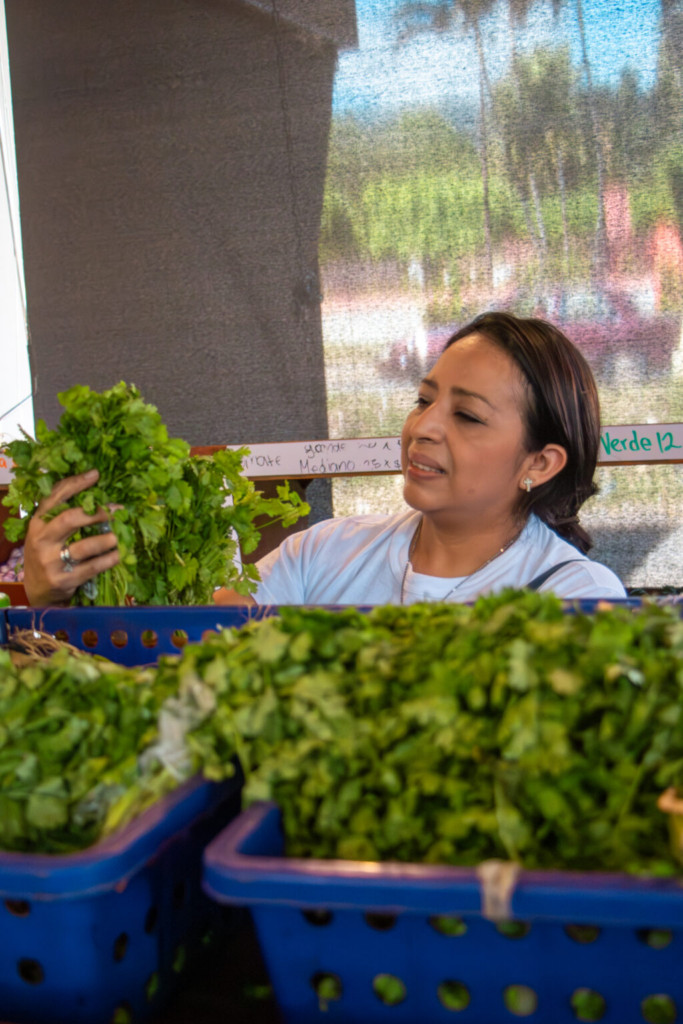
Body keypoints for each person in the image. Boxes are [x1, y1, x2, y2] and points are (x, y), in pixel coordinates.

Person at [21, 312, 626, 608]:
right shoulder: (324, 553)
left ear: (540, 463)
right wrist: (57, 598)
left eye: (466, 416)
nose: (422, 427)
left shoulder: (574, 595)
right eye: (423, 400)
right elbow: (196, 642)